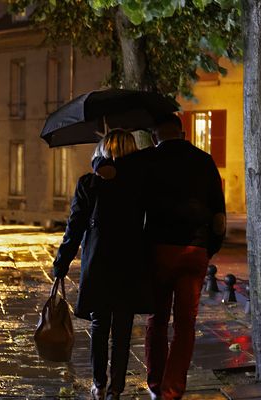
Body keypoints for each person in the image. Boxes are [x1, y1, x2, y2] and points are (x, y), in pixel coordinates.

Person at [53, 129, 152, 400]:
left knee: (100, 326)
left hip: (99, 262)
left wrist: (61, 262)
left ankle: (99, 383)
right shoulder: (141, 182)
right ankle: (116, 388)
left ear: (102, 152)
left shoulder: (90, 184)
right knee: (123, 329)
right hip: (131, 261)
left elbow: (75, 227)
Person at [142, 114, 226, 400]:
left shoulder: (147, 162)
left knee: (157, 320)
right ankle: (173, 389)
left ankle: (155, 384)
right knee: (185, 324)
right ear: (184, 132)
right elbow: (219, 215)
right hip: (194, 250)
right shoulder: (203, 161)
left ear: (155, 136)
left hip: (159, 250)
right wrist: (208, 248)